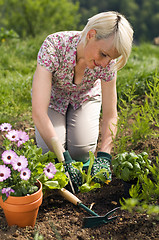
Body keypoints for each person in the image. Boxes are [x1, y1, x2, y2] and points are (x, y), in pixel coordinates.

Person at [32, 11, 133, 190]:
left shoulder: (107, 63)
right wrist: (64, 158)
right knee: (50, 153)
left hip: (84, 98)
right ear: (91, 35)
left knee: (81, 151)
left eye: (111, 58)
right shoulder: (54, 45)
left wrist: (104, 155)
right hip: (53, 98)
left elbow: (110, 114)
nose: (105, 63)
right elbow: (39, 112)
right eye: (103, 54)